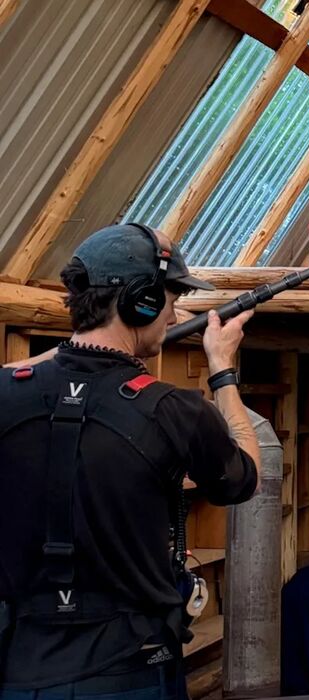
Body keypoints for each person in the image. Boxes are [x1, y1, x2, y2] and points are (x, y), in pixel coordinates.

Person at [0, 223, 260, 699]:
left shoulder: (6, 394)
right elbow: (243, 478)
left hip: (20, 667)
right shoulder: (174, 410)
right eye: (170, 297)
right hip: (131, 670)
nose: (174, 312)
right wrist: (222, 371)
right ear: (142, 300)